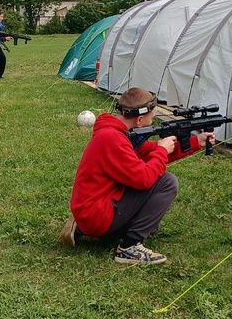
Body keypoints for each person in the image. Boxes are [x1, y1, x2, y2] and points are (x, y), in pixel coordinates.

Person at [60, 87, 215, 265]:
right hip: (97, 215)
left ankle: (82, 225)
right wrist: (162, 150)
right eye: (152, 116)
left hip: (91, 208)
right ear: (140, 120)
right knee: (166, 182)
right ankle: (129, 247)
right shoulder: (112, 139)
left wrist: (196, 142)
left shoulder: (115, 132)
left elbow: (148, 153)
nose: (154, 120)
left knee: (154, 178)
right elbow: (144, 179)